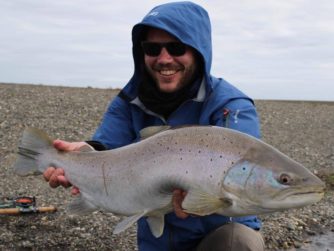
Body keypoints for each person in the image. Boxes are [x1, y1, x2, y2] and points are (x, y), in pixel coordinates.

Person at [44, 2, 265, 250]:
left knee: (240, 243)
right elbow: (106, 146)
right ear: (142, 53)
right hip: (156, 241)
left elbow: (244, 170)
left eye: (176, 47)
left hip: (218, 236)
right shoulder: (130, 100)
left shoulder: (230, 105)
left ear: (198, 51)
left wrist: (199, 199)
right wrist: (81, 153)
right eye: (152, 48)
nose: (164, 59)